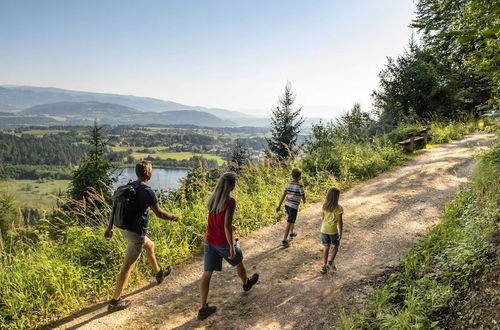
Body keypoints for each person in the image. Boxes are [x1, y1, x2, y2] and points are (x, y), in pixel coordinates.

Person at [104, 161, 180, 312]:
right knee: (127, 267)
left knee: (150, 246)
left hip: (125, 229)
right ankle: (115, 301)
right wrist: (173, 217)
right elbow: (159, 214)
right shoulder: (147, 191)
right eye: (151, 170)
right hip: (136, 233)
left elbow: (114, 206)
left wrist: (110, 227)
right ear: (147, 173)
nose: (152, 173)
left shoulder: (129, 186)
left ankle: (159, 273)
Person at [198, 172, 259, 321]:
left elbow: (219, 220)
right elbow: (225, 226)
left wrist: (231, 226)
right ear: (231, 186)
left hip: (209, 240)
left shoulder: (213, 198)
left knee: (207, 274)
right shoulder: (230, 202)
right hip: (223, 241)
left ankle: (203, 308)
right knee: (239, 261)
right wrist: (231, 245)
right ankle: (246, 283)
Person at [276, 167, 306, 247]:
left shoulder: (289, 184)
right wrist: (304, 200)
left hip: (287, 205)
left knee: (291, 219)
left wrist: (279, 205)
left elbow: (283, 195)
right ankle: (285, 239)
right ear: (300, 177)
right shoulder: (300, 186)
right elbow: (303, 194)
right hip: (293, 206)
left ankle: (292, 232)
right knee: (289, 222)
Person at [319, 187, 343, 274]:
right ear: (337, 197)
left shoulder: (324, 206)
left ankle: (324, 265)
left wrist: (321, 231)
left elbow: (323, 218)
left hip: (324, 229)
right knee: (336, 246)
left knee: (326, 247)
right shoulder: (339, 208)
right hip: (333, 231)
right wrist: (340, 233)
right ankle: (331, 261)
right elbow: (340, 222)